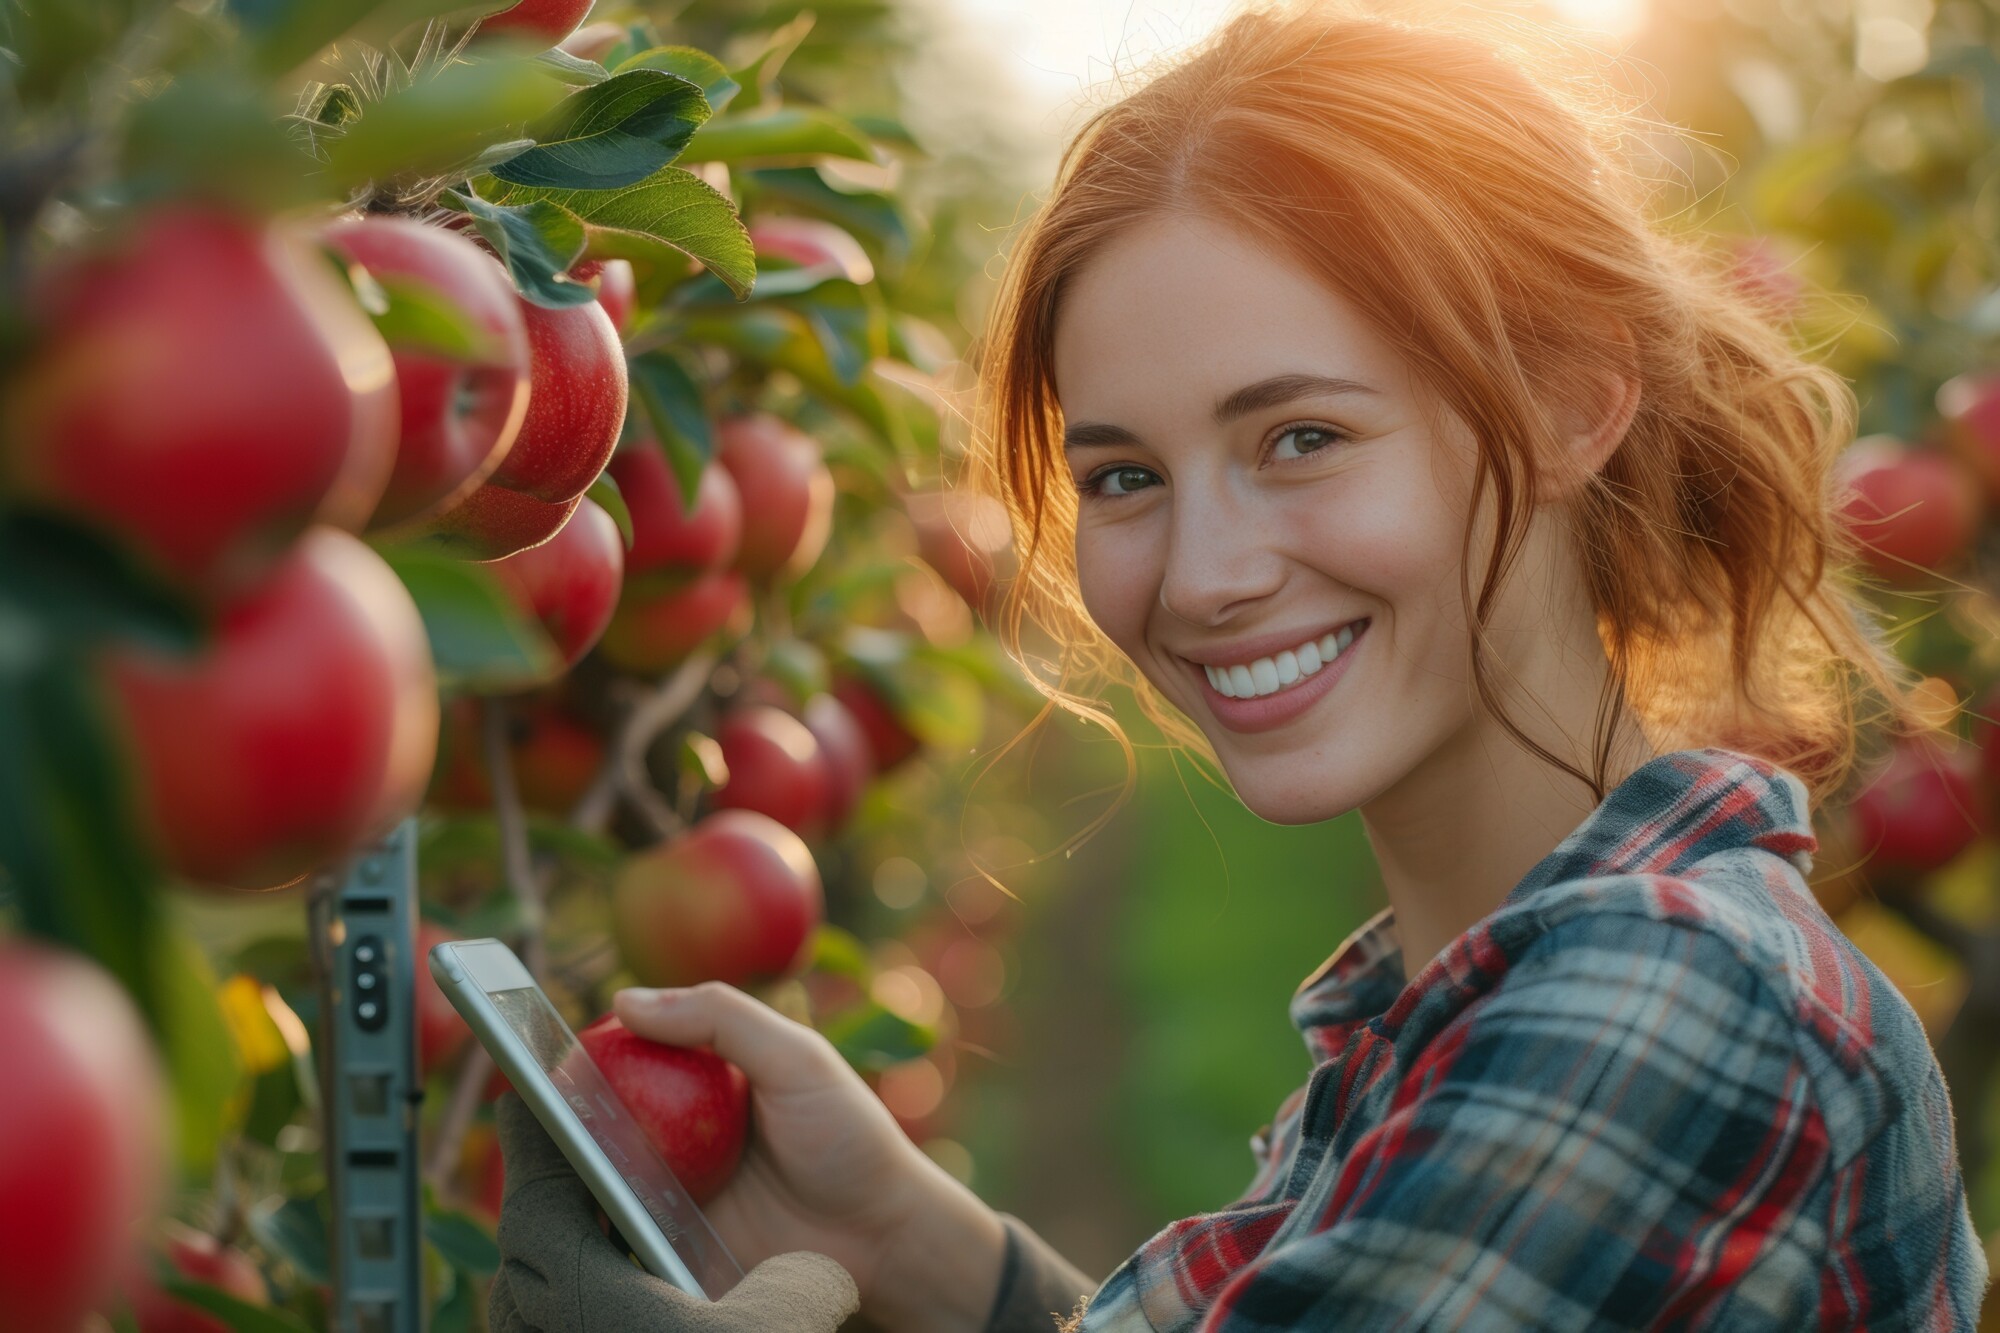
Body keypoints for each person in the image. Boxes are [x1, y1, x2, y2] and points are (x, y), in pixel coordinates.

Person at [485, 2, 1993, 1329]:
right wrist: (911, 1240)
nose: (1203, 576)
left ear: (1572, 403)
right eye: (1127, 476)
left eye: (1302, 438)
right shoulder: (1463, 1012)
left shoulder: (1657, 1003)